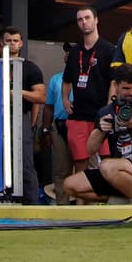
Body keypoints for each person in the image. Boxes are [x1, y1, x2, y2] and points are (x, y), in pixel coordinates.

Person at [62, 64, 132, 206]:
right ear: (115, 85)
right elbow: (90, 149)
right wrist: (101, 130)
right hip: (116, 172)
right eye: (126, 88)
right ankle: (123, 200)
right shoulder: (106, 111)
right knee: (70, 184)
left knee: (106, 165)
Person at [61, 7, 116, 174]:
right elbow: (66, 79)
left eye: (87, 17)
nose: (84, 22)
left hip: (101, 115)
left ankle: (108, 192)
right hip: (78, 115)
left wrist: (109, 107)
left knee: (108, 162)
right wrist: (65, 99)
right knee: (80, 163)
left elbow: (114, 81)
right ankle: (81, 191)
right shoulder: (74, 52)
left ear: (96, 19)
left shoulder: (109, 50)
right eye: (80, 19)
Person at [2, 27, 45, 204]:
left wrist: (18, 93)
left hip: (21, 118)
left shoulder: (30, 68)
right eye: (8, 40)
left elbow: (41, 97)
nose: (12, 44)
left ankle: (32, 206)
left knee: (25, 163)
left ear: (21, 44)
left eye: (15, 41)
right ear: (2, 43)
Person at [43, 45, 74, 204]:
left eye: (72, 53)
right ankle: (63, 206)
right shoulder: (56, 79)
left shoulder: (89, 77)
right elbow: (48, 106)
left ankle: (87, 208)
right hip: (60, 125)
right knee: (61, 169)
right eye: (67, 53)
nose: (68, 55)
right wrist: (45, 129)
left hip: (83, 125)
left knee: (87, 168)